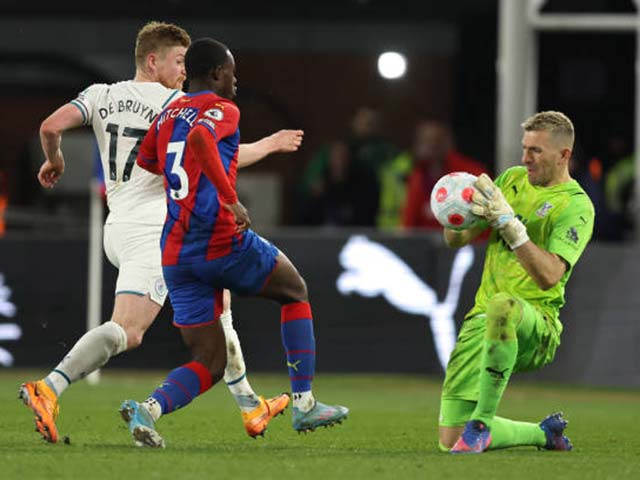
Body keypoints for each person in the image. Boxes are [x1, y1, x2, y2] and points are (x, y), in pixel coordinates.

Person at [19, 21, 302, 444]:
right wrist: (270, 144)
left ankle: (249, 404)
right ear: (152, 61)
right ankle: (50, 387)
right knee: (128, 331)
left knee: (220, 309)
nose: (185, 72)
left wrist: (55, 161)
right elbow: (221, 154)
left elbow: (49, 127)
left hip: (117, 225)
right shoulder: (178, 104)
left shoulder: (101, 94)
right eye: (178, 62)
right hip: (153, 230)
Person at [120, 37, 348, 448]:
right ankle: (304, 402)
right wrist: (228, 198)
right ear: (217, 74)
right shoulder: (222, 108)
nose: (236, 82)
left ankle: (148, 409)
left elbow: (148, 160)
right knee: (295, 291)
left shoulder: (170, 111)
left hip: (176, 252)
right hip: (220, 240)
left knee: (210, 360)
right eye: (233, 73)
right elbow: (202, 141)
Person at [438, 111, 594, 454]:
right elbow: (456, 240)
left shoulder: (576, 206)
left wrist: (511, 226)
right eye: (525, 148)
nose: (525, 158)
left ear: (563, 155)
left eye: (536, 151)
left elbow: (549, 276)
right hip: (482, 322)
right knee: (449, 439)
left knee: (503, 306)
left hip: (535, 324)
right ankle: (544, 435)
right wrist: (457, 212)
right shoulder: (511, 179)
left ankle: (482, 421)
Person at [399, 120, 487, 230]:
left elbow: (484, 217)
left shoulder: (471, 174)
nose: (431, 147)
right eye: (425, 142)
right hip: (425, 242)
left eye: (436, 141)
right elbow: (409, 221)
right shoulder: (417, 175)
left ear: (448, 142)